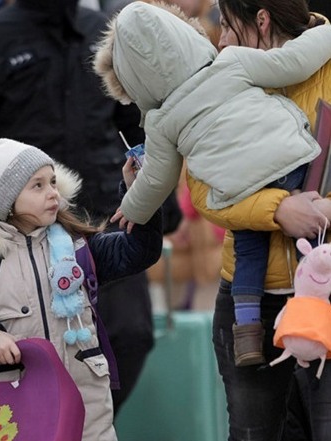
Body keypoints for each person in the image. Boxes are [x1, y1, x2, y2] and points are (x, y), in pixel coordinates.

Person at [0, 0, 173, 415]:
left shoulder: (101, 29)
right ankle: (49, 422)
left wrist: (159, 196)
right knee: (37, 350)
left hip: (105, 218)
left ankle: (84, 419)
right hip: (24, 230)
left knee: (133, 334)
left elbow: (133, 121)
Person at [94, 1, 331, 366]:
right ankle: (310, 308)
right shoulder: (232, 64)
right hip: (292, 161)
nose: (222, 38)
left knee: (248, 252)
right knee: (311, 248)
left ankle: (248, 333)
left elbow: (158, 177)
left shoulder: (160, 121)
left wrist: (132, 208)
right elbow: (294, 61)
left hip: (240, 192)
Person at [0, 134, 163, 441]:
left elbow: (140, 251)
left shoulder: (78, 249)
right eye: (38, 185)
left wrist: (142, 194)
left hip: (89, 417)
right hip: (17, 416)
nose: (53, 193)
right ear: (4, 197)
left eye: (53, 182)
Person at [185, 1, 331, 439]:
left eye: (227, 26)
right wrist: (278, 211)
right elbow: (203, 189)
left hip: (323, 286)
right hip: (250, 296)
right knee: (255, 431)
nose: (221, 40)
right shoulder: (222, 77)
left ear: (261, 21)